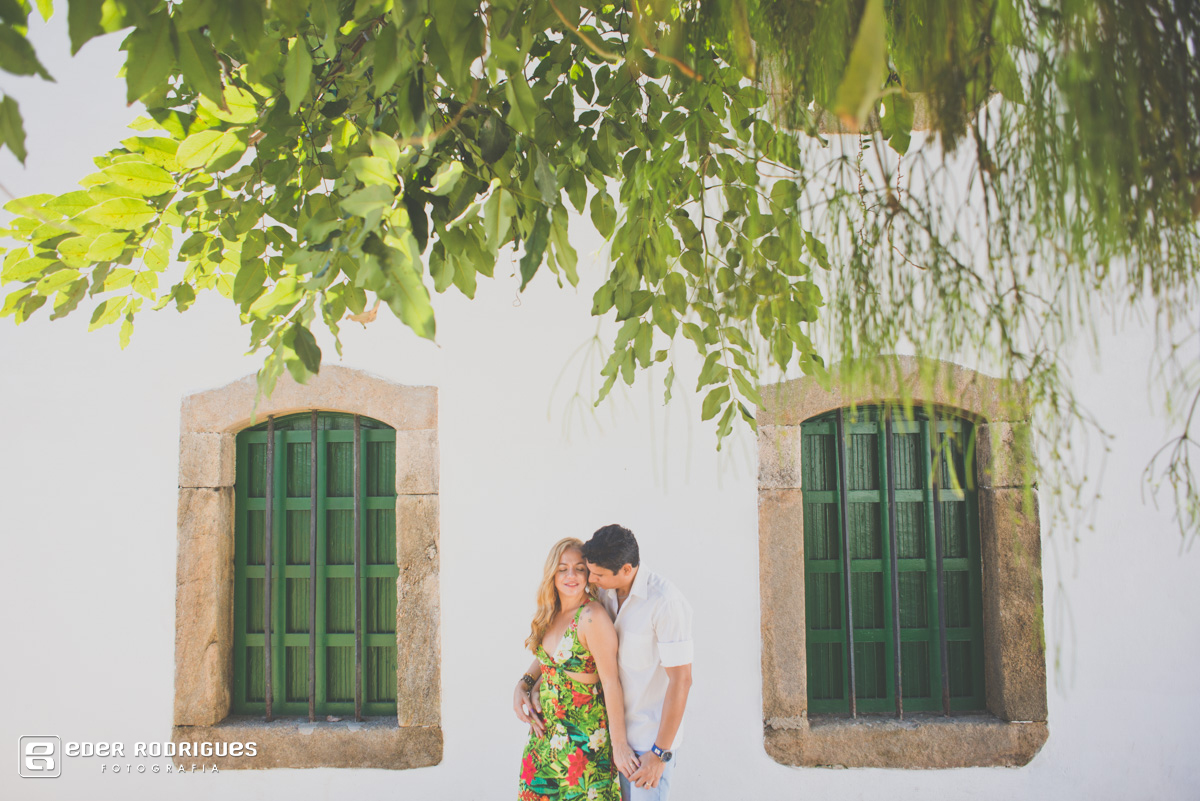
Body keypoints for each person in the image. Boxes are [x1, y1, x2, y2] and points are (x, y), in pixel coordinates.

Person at [515, 537, 637, 800]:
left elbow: (611, 684)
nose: (571, 575)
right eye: (562, 568)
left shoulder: (591, 617)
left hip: (582, 747)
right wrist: (523, 684)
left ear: (589, 574)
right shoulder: (551, 613)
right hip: (544, 745)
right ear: (552, 574)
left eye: (579, 568)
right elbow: (549, 661)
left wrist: (620, 747)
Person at [582, 524, 693, 801]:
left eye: (599, 574)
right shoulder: (602, 592)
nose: (591, 579)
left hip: (648, 745)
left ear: (627, 570)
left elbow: (682, 680)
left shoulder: (666, 603)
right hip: (606, 739)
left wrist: (659, 754)